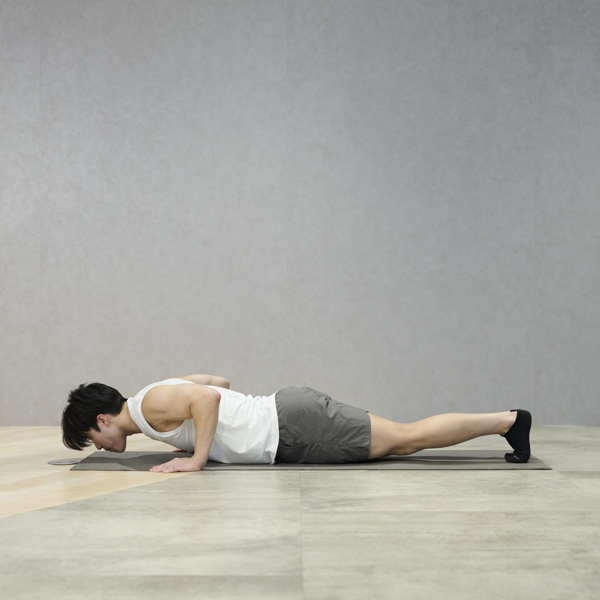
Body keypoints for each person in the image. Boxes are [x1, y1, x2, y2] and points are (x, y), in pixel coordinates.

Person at [61, 374, 532, 473]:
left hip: (292, 426)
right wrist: (201, 440)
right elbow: (216, 382)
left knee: (407, 440)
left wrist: (198, 458)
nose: (98, 446)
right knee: (405, 440)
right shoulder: (151, 402)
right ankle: (507, 423)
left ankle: (508, 422)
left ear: (102, 419)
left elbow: (207, 397)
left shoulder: (147, 405)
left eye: (91, 438)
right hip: (289, 420)